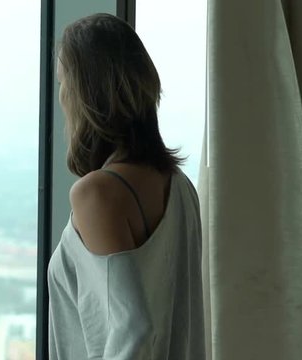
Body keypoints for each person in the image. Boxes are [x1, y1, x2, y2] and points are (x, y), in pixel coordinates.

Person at [47, 13, 205, 359]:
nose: (60, 96)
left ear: (84, 94)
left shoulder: (97, 194)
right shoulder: (181, 187)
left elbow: (134, 327)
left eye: (62, 82)